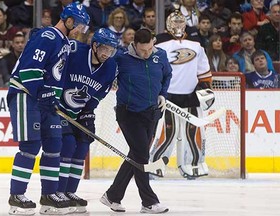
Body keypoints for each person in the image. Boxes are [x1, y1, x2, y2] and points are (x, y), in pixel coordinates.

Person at [7, 2, 89, 215]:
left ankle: (49, 196)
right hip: (26, 96)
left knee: (55, 145)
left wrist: (53, 97)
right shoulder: (49, 37)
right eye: (79, 25)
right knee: (30, 146)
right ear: (69, 21)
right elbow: (29, 70)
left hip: (47, 101)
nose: (80, 30)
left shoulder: (63, 42)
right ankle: (16, 198)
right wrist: (43, 93)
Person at [100, 28, 172, 214]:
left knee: (136, 155)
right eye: (142, 50)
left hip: (152, 113)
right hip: (128, 113)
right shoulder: (121, 58)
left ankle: (113, 196)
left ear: (153, 42)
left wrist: (163, 95)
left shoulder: (161, 55)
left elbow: (167, 75)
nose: (146, 53)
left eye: (149, 49)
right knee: (141, 155)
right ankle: (148, 202)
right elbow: (104, 77)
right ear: (134, 45)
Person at [57, 28, 119, 213]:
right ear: (94, 45)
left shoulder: (111, 67)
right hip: (58, 109)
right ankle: (58, 191)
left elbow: (99, 94)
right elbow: (54, 66)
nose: (107, 54)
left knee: (82, 146)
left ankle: (70, 191)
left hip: (79, 111)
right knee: (67, 144)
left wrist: (88, 111)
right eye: (104, 49)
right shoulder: (74, 51)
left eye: (111, 50)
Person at [151, 10, 213, 178]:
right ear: (168, 24)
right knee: (166, 133)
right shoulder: (159, 43)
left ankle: (194, 165)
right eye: (175, 21)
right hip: (166, 97)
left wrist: (205, 89)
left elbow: (204, 74)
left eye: (181, 22)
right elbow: (152, 70)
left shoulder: (196, 44)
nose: (178, 25)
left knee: (193, 133)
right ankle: (154, 165)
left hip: (190, 97)